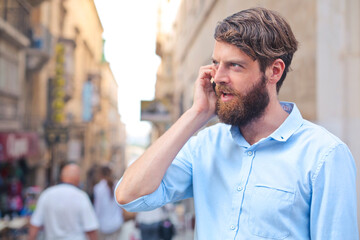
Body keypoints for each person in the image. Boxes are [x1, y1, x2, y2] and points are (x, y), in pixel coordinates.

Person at [115, 7, 359, 239]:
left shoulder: (324, 155)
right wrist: (196, 114)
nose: (218, 77)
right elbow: (129, 195)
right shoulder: (204, 146)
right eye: (216, 64)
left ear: (274, 71)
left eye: (235, 65)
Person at [28, 163, 99, 240]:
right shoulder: (81, 197)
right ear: (77, 178)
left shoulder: (47, 194)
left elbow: (35, 225)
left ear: (61, 177)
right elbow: (91, 229)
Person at [93, 166, 124, 240]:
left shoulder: (98, 188)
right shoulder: (117, 185)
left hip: (103, 225)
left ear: (100, 174)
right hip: (117, 223)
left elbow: (98, 208)